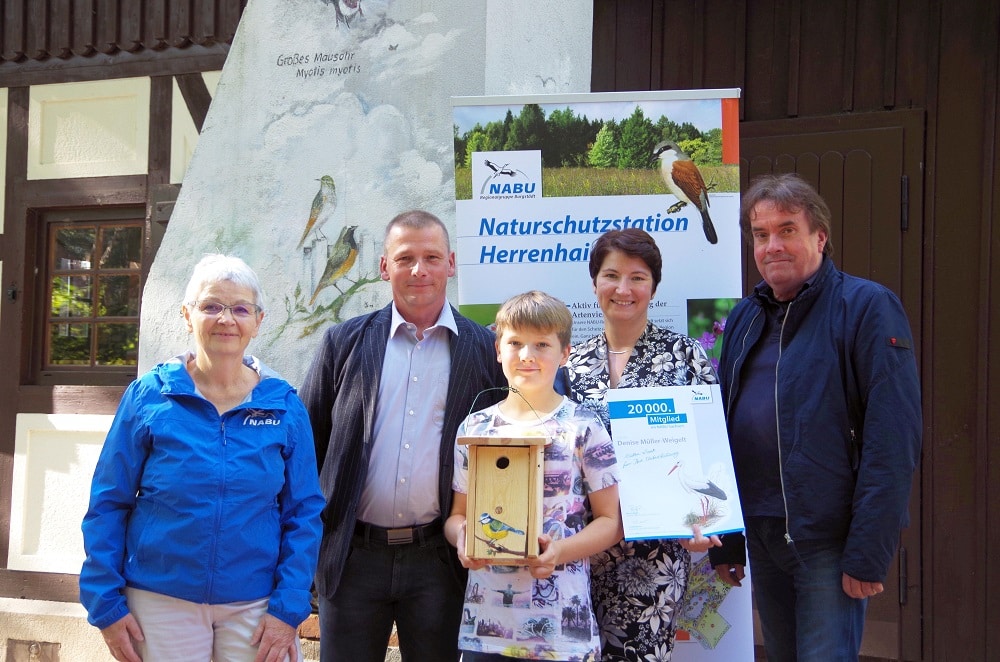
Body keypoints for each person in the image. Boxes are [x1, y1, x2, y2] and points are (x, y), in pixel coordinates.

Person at [708, 173, 922, 661]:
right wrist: (727, 540)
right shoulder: (745, 315)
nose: (772, 246)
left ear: (819, 237)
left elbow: (894, 437)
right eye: (761, 235)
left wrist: (869, 552)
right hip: (762, 533)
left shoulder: (866, 307)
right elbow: (724, 426)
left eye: (787, 230)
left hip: (827, 539)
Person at [80, 254, 325, 662]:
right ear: (187, 314)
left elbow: (304, 513)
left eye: (241, 308)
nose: (226, 319)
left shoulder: (284, 405)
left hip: (256, 604)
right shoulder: (149, 396)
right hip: (159, 600)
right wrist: (104, 601)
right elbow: (108, 501)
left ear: (257, 321)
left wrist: (288, 607)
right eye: (211, 306)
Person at [299, 210, 506, 662]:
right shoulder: (343, 343)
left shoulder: (485, 351)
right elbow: (304, 449)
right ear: (383, 266)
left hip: (440, 561)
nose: (419, 270)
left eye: (432, 257)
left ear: (451, 263)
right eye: (405, 257)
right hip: (352, 558)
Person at [561, 228, 721, 662]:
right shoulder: (569, 364)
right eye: (611, 276)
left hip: (656, 552)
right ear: (594, 283)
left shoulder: (686, 356)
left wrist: (704, 521)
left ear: (653, 286)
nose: (624, 289)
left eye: (638, 277)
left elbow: (709, 451)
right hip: (576, 548)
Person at [445, 290, 623, 661]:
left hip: (562, 633)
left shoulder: (584, 426)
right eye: (515, 343)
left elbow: (611, 522)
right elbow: (457, 516)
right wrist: (463, 538)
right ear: (498, 349)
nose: (527, 356)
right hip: (485, 632)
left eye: (542, 344)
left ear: (565, 354)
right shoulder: (476, 427)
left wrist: (559, 552)